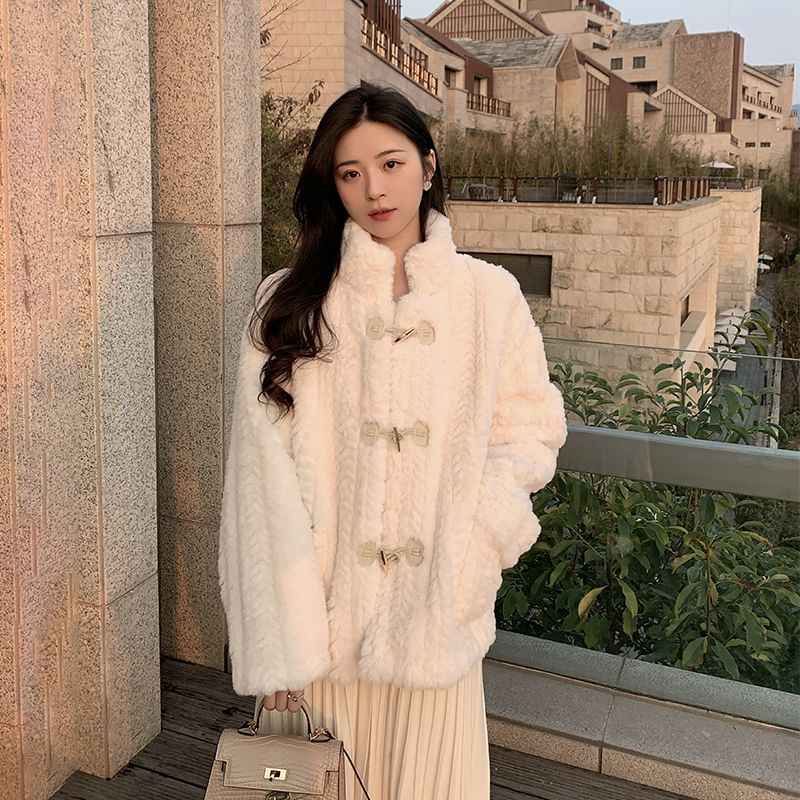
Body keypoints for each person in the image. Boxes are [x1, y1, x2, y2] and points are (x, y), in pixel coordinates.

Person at [217, 82, 568, 800]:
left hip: (437, 623)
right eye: (350, 173)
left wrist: (474, 544)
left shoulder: (489, 298)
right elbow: (258, 483)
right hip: (320, 638)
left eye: (391, 163)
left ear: (428, 166)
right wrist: (278, 646)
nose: (374, 189)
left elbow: (530, 432)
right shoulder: (288, 303)